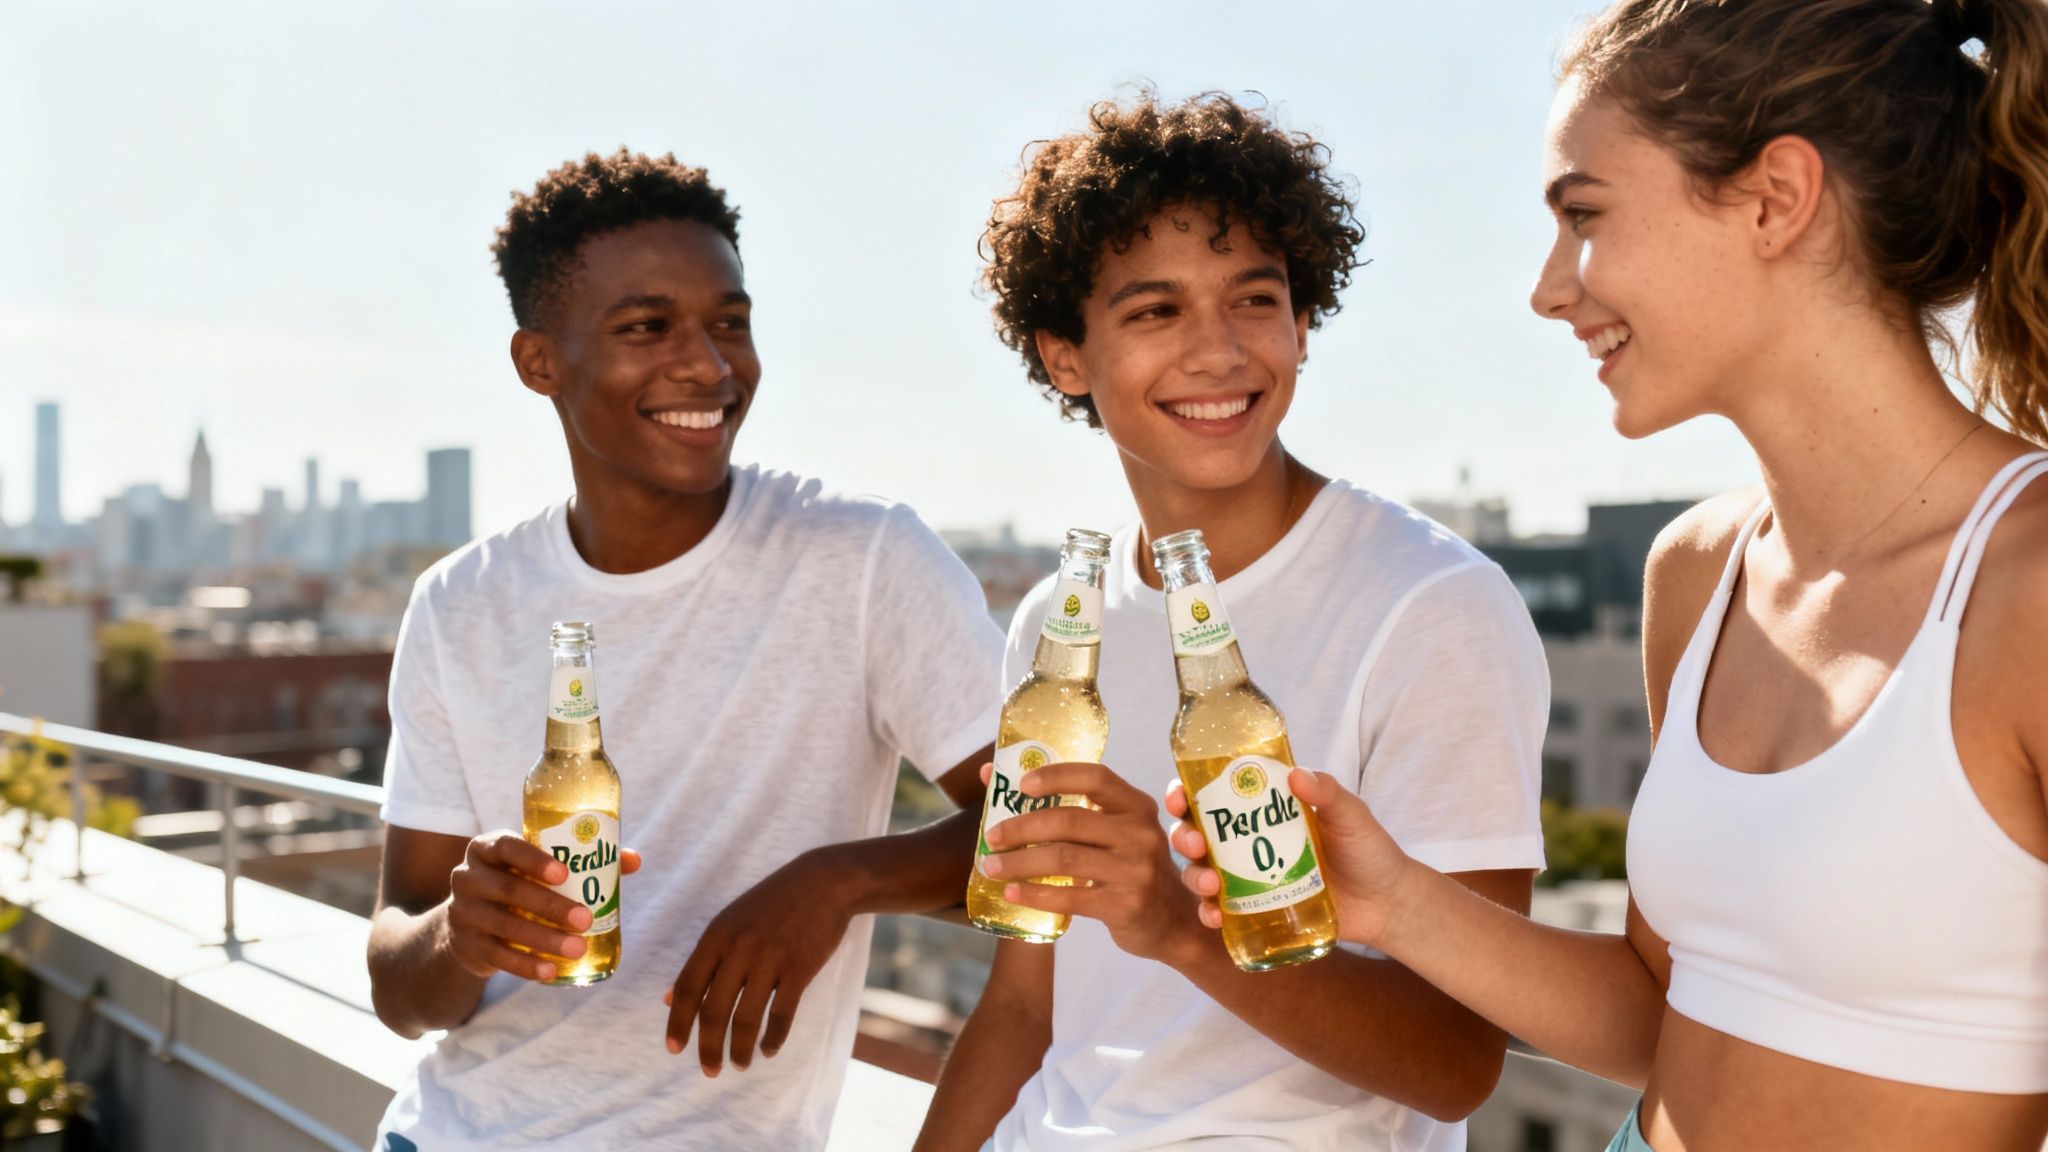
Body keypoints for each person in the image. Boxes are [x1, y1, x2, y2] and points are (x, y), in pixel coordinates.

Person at [1174, 2, 2048, 1149]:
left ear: (1774, 199)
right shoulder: (1697, 571)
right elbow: (1664, 1015)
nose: (1547, 286)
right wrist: (1390, 897)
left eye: (1581, 214)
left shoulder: (2024, 586)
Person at [915, 92, 1551, 1151]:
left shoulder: (1432, 605)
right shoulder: (1050, 628)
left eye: (1253, 301)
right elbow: (1025, 1009)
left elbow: (1453, 1065)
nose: (1217, 354)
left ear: (1302, 322)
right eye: (1154, 312)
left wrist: (1177, 925)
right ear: (1065, 355)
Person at [364, 149, 1005, 1151]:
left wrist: (837, 881)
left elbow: (1051, 838)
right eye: (646, 327)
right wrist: (460, 934)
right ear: (540, 363)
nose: (708, 366)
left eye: (729, 324)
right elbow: (400, 985)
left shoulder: (865, 557)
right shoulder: (458, 605)